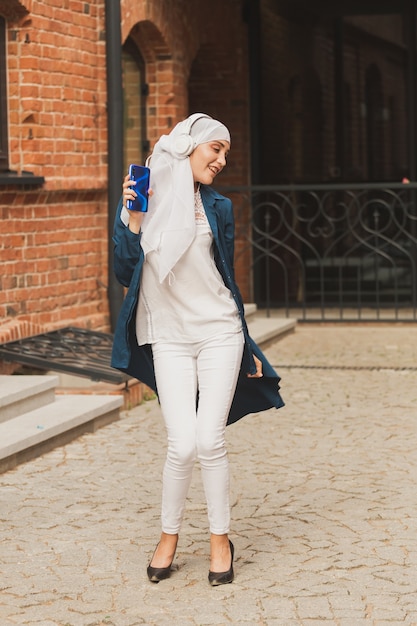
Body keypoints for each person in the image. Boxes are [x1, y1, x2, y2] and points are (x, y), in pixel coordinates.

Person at [111, 113, 284, 586]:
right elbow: (126, 272)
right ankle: (168, 536)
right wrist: (132, 217)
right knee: (181, 444)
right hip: (168, 334)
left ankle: (218, 539)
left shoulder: (217, 207)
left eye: (225, 151)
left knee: (210, 441)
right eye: (216, 149)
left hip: (217, 333)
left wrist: (246, 341)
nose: (222, 160)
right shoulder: (143, 201)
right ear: (188, 147)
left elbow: (226, 279)